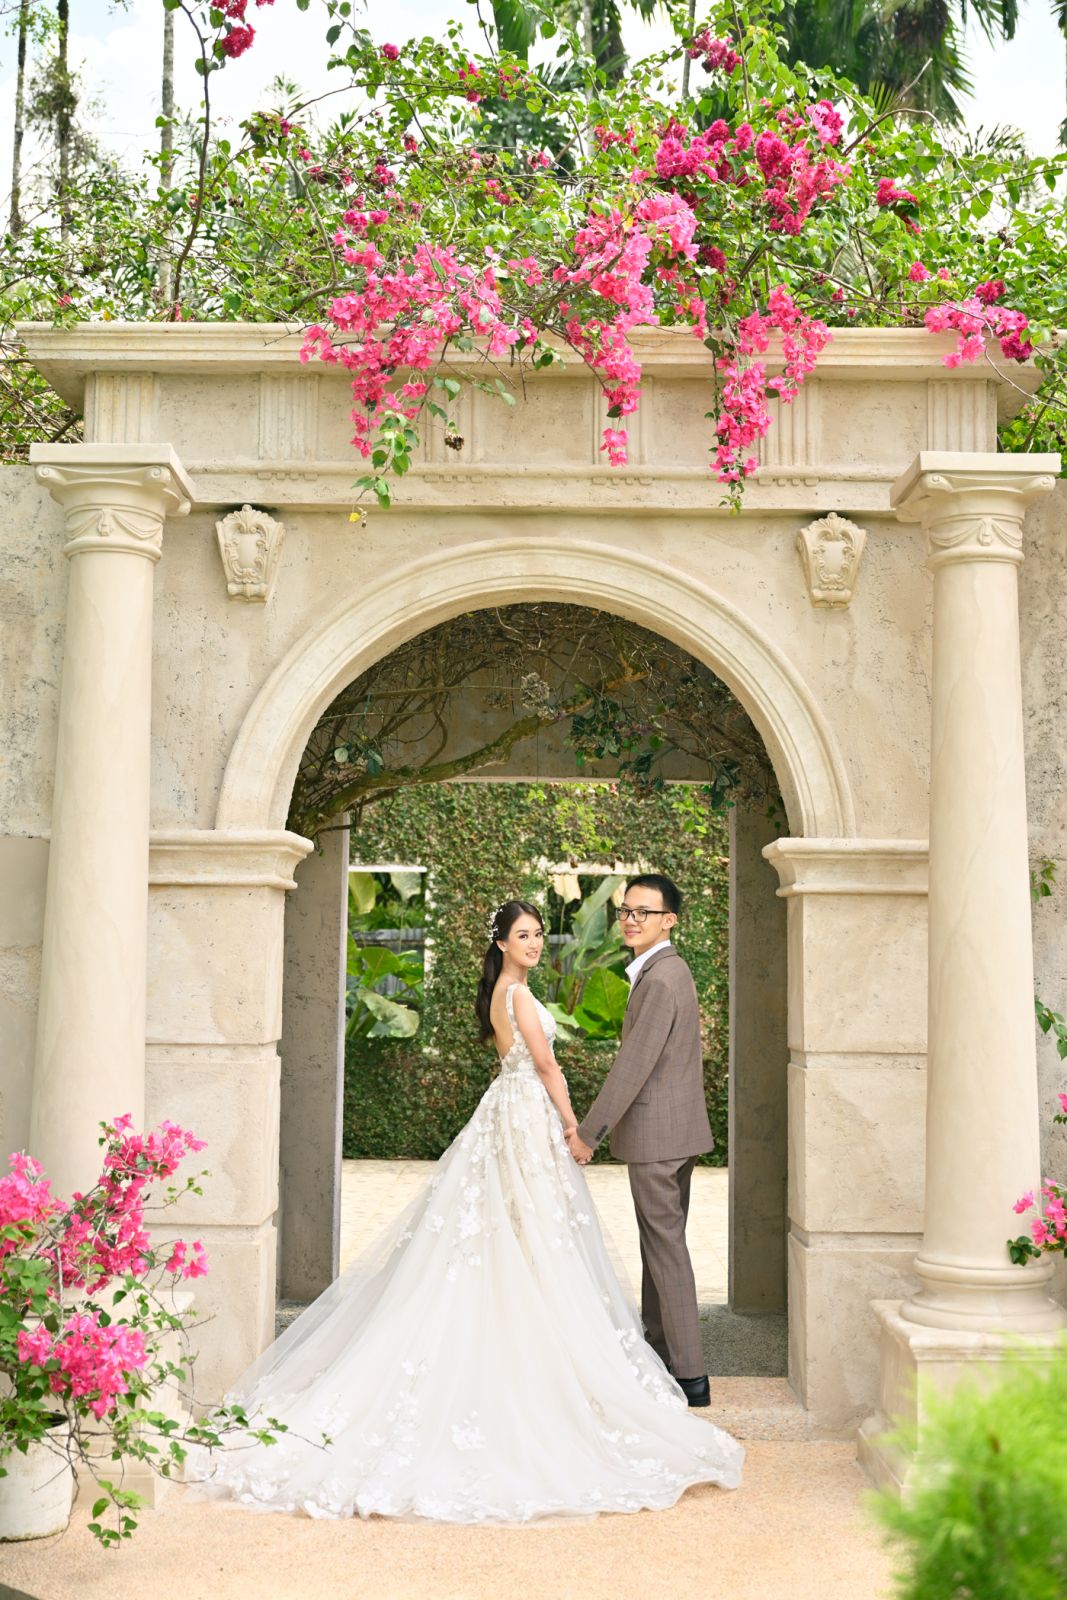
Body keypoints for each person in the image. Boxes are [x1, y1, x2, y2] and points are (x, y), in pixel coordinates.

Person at [184, 899, 743, 1522]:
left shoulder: (503, 994)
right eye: (523, 935)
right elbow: (547, 1065)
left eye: (538, 934)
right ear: (501, 943)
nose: (535, 943)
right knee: (532, 1231)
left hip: (507, 1110)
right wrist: (573, 1126)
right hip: (526, 1114)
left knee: (510, 1231)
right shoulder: (519, 996)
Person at [567, 874, 713, 1408]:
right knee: (661, 1247)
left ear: (669, 921)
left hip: (658, 1139)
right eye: (626, 910)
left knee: (665, 1251)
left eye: (643, 912)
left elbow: (633, 1067)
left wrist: (588, 1134)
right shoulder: (668, 971)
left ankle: (690, 1375)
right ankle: (662, 1355)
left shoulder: (659, 980)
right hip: (676, 1134)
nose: (630, 920)